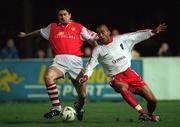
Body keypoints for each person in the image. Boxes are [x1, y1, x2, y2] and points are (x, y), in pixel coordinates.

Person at [18, 8, 98, 121]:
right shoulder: (52, 27)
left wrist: (96, 52)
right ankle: (56, 107)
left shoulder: (78, 27)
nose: (63, 16)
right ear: (58, 17)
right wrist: (26, 35)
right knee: (48, 77)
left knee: (83, 95)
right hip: (59, 60)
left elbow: (93, 39)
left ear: (70, 15)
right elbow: (39, 32)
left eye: (65, 14)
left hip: (75, 62)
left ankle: (79, 108)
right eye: (60, 15)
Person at [79, 23, 166, 122]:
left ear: (108, 32)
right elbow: (90, 65)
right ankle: (142, 112)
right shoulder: (98, 50)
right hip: (115, 78)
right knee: (122, 87)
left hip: (130, 74)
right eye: (98, 34)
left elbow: (136, 35)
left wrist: (152, 32)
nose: (101, 35)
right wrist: (86, 75)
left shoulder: (121, 39)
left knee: (152, 101)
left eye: (103, 32)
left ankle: (150, 115)